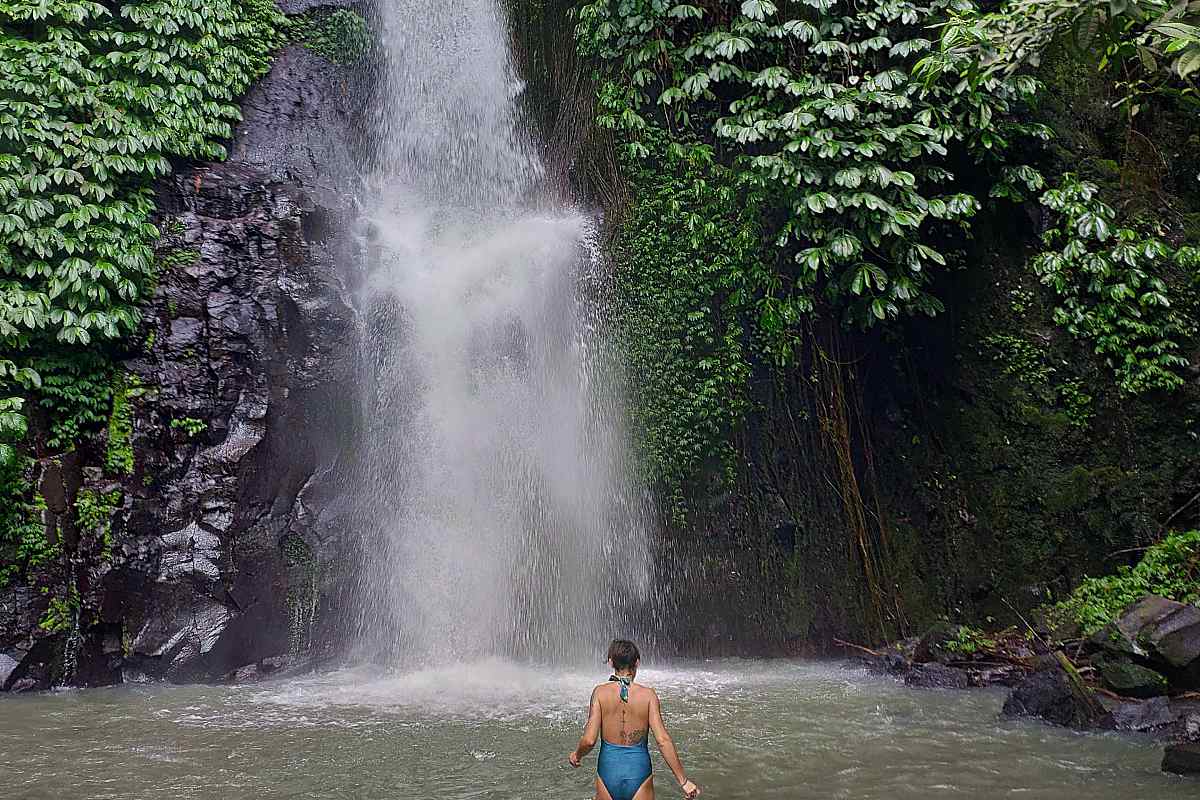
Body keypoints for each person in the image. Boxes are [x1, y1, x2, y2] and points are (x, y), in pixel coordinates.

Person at [568, 639, 701, 800]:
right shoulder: (648, 695)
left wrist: (577, 755)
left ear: (610, 662)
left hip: (608, 771)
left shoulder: (600, 693)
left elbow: (589, 740)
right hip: (639, 773)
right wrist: (683, 781)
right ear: (637, 663)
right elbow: (663, 740)